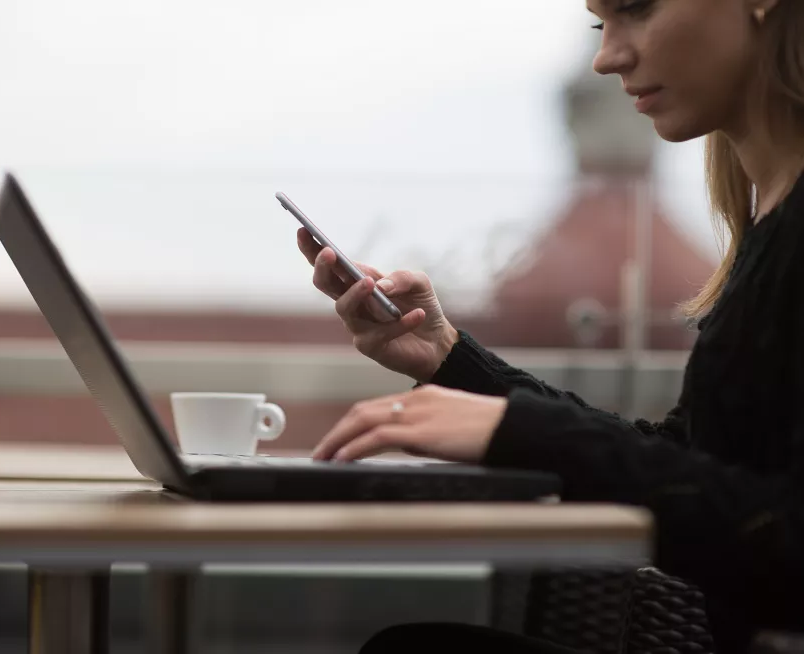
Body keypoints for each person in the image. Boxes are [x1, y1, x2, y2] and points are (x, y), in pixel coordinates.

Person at [296, 1, 804, 652]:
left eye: (635, 9)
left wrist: (526, 430)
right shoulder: (767, 232)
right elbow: (691, 462)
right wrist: (449, 360)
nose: (606, 55)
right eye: (600, 24)